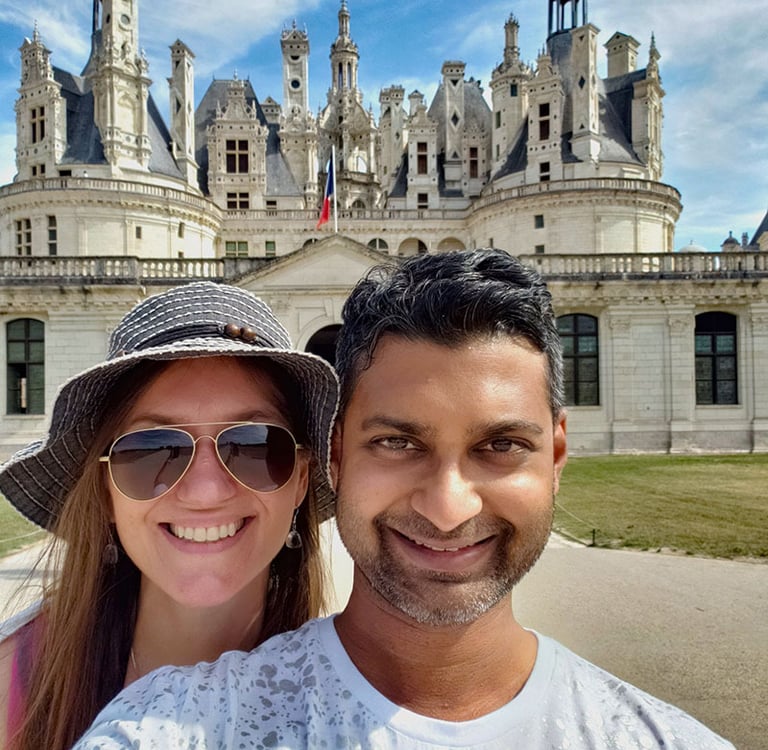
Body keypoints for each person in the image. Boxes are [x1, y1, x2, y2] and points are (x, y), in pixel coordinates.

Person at [73, 250, 734, 749]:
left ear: (557, 456)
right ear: (333, 454)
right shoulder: (167, 726)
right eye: (396, 442)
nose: (449, 507)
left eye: (501, 445)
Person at [0, 281, 338, 750]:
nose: (204, 492)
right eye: (153, 449)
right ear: (105, 489)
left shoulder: (359, 698)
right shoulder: (12, 683)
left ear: (301, 478)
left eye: (255, 446)